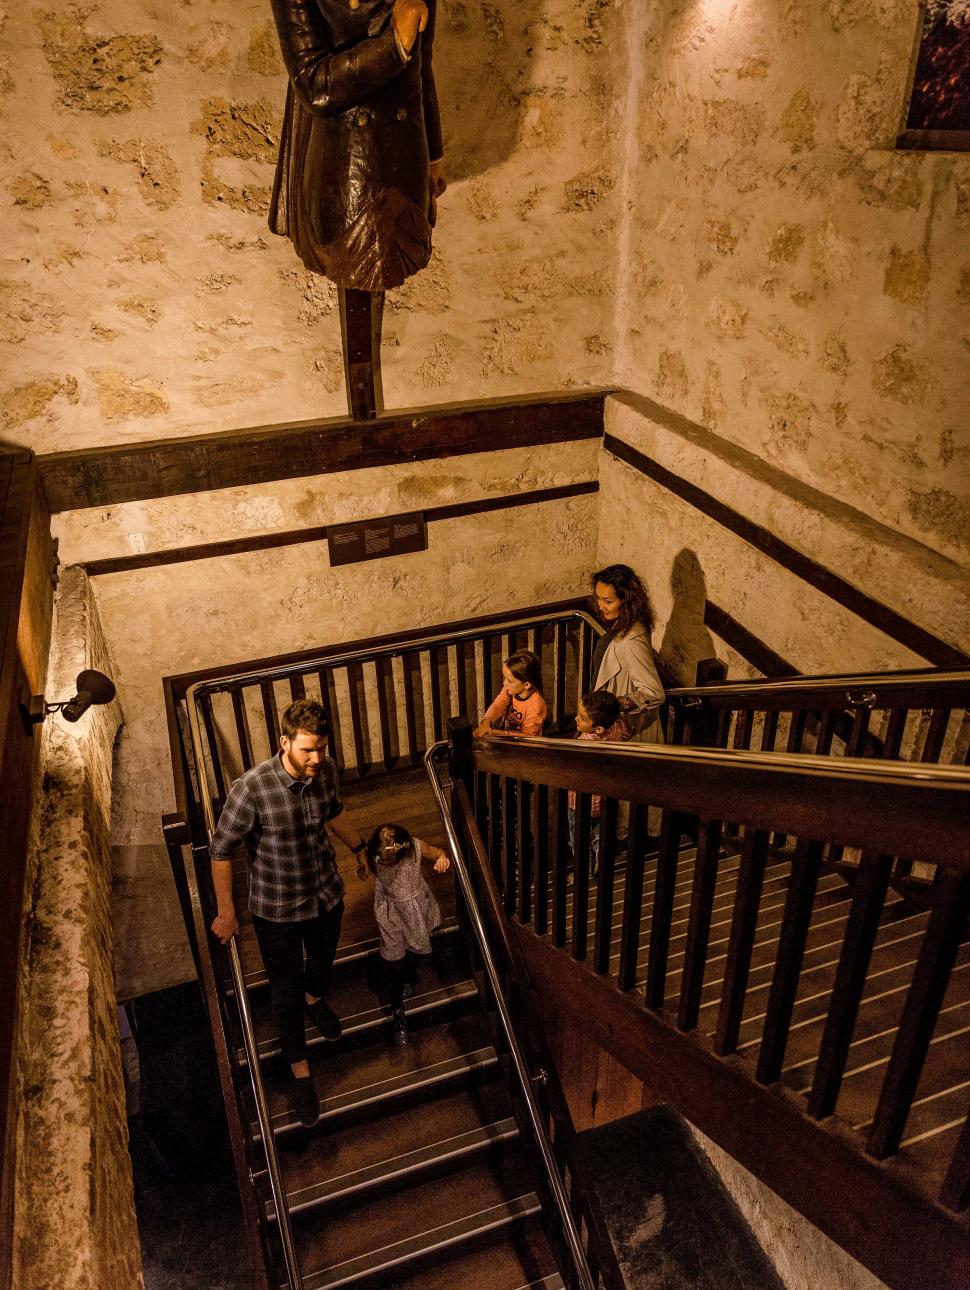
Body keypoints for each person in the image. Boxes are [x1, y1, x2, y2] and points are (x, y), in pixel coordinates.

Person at [209, 698, 369, 1128]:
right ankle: (300, 1069)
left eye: (321, 748)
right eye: (307, 750)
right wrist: (227, 910)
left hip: (324, 893)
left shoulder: (327, 771)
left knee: (321, 962)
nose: (316, 759)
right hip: (277, 908)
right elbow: (221, 849)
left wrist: (358, 847)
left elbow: (334, 811)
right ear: (284, 742)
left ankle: (314, 998)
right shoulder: (251, 788)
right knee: (283, 989)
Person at [269, 0, 446, 293]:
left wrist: (434, 156)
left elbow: (423, 68)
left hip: (407, 158)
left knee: (393, 261)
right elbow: (315, 85)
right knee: (355, 269)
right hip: (344, 168)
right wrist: (395, 46)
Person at [357, 823, 451, 1046]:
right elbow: (363, 873)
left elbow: (437, 852)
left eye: (388, 862)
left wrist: (442, 858)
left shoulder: (415, 847)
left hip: (416, 909)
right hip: (391, 914)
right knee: (393, 963)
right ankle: (397, 1009)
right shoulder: (373, 856)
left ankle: (410, 974)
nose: (383, 864)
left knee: (419, 953)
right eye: (380, 861)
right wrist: (364, 870)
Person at [590, 564, 665, 744]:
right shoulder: (623, 621)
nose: (601, 606)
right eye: (599, 598)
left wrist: (615, 704)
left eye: (608, 601)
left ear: (626, 601)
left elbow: (654, 692)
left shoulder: (632, 641)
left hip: (624, 728)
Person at [567, 689, 631, 874]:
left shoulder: (584, 743)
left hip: (579, 801)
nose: (576, 719)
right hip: (605, 797)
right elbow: (626, 731)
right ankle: (600, 859)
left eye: (582, 718)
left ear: (598, 729)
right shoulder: (617, 727)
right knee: (599, 834)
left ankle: (584, 872)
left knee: (578, 837)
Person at [474, 650, 547, 737]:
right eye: (505, 678)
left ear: (526, 684)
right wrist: (486, 722)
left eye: (510, 681)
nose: (504, 683)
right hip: (508, 738)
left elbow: (528, 736)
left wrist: (494, 733)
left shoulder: (536, 705)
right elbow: (498, 705)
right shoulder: (510, 689)